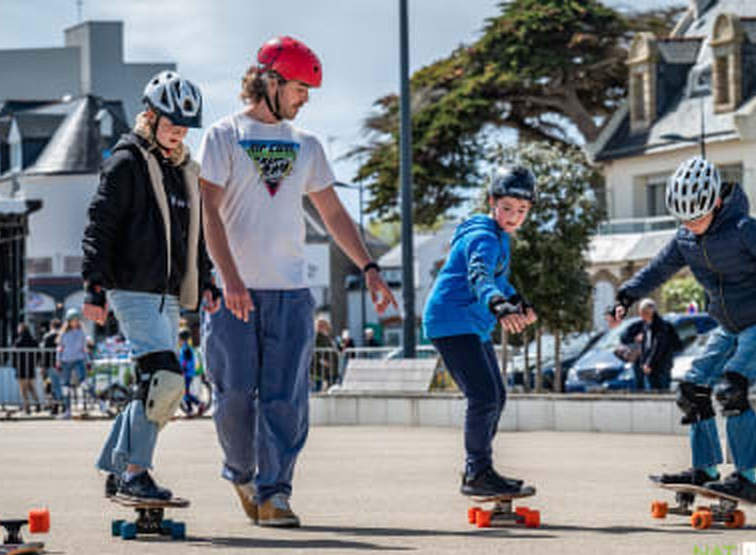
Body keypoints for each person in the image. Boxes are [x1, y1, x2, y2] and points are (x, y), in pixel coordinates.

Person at [198, 36, 397, 527]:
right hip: (233, 294)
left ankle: (275, 493)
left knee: (285, 400)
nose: (305, 99)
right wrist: (230, 278)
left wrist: (369, 267)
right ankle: (242, 473)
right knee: (234, 397)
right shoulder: (223, 136)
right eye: (300, 88)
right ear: (270, 81)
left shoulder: (307, 145)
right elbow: (208, 211)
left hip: (290, 293)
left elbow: (333, 213)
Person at [612, 156, 756, 503]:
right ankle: (705, 471)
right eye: (684, 220)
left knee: (731, 390)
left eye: (697, 218)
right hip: (728, 322)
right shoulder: (685, 239)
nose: (691, 225)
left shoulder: (743, 228)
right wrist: (626, 295)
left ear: (716, 202)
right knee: (692, 390)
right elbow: (657, 269)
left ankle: (746, 479)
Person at [83, 70, 217, 500]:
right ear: (150, 116)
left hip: (168, 294)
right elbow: (100, 223)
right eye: (171, 123)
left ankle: (118, 468)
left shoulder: (182, 171)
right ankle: (135, 473)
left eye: (185, 127)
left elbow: (194, 235)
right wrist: (93, 284)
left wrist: (207, 279)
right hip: (131, 287)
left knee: (154, 383)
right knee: (165, 379)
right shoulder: (126, 162)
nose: (178, 133)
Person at [423, 165, 537, 497]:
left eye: (521, 210)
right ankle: (477, 472)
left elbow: (498, 279)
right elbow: (480, 275)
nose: (513, 217)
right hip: (451, 321)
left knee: (496, 396)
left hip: (470, 324)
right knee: (484, 396)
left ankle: (480, 469)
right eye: (507, 208)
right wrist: (498, 304)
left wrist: (516, 299)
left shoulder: (500, 237)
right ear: (492, 202)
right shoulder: (484, 237)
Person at [635, 298, 678, 391]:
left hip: (660, 366)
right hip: (650, 366)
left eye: (643, 312)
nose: (641, 315)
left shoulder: (660, 326)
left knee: (660, 392)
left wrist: (649, 364)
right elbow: (647, 345)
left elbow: (658, 347)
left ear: (650, 312)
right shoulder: (646, 325)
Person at [57, 309, 88, 419]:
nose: (75, 322)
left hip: (78, 360)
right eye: (73, 320)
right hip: (66, 361)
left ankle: (100, 404)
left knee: (84, 383)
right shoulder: (63, 334)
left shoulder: (81, 333)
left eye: (77, 320)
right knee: (65, 386)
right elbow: (60, 348)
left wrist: (87, 360)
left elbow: (84, 348)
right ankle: (67, 410)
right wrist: (58, 361)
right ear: (69, 321)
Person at [13, 323, 40, 414]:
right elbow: (38, 354)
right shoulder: (34, 341)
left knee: (23, 389)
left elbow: (14, 355)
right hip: (31, 366)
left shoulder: (18, 341)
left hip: (21, 367)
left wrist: (14, 366)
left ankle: (27, 407)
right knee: (31, 387)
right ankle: (37, 404)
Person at [40, 318, 63, 413]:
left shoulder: (47, 336)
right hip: (63, 364)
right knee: (62, 385)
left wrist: (43, 366)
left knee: (52, 386)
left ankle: (55, 407)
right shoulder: (63, 335)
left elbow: (44, 353)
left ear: (51, 326)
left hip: (50, 364)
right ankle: (64, 406)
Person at [311, 316, 339, 392]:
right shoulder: (316, 336)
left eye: (324, 324)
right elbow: (312, 350)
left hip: (330, 369)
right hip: (319, 370)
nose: (322, 326)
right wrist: (321, 360)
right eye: (320, 324)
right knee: (318, 390)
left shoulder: (328, 336)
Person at [178, 328, 202, 415]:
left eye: (180, 338)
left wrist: (182, 368)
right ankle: (190, 409)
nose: (179, 340)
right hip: (188, 373)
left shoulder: (186, 348)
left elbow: (186, 361)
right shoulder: (186, 347)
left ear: (182, 338)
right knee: (185, 393)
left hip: (187, 374)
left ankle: (198, 404)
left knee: (185, 393)